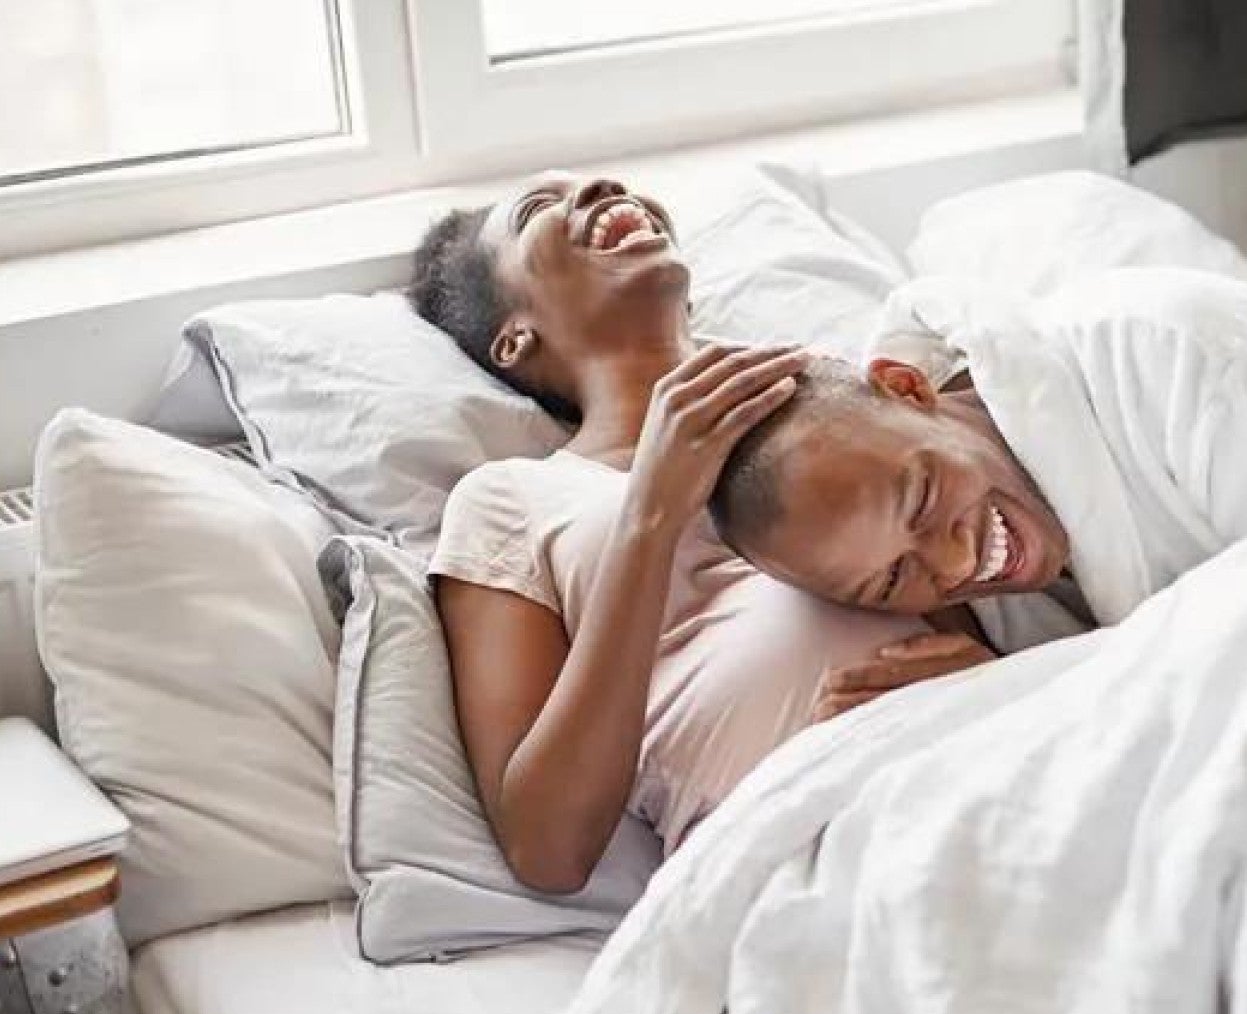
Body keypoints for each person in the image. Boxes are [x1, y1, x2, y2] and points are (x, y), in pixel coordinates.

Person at [409, 172, 991, 894]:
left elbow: (960, 576)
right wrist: (649, 516)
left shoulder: (823, 384)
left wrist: (981, 676)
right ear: (514, 338)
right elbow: (548, 849)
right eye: (537, 210)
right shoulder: (510, 500)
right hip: (805, 860)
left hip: (977, 756)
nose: (597, 185)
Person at [708, 268, 1247, 652]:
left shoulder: (1167, 355)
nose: (956, 558)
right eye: (893, 577)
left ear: (907, 388)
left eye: (923, 500)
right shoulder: (966, 603)